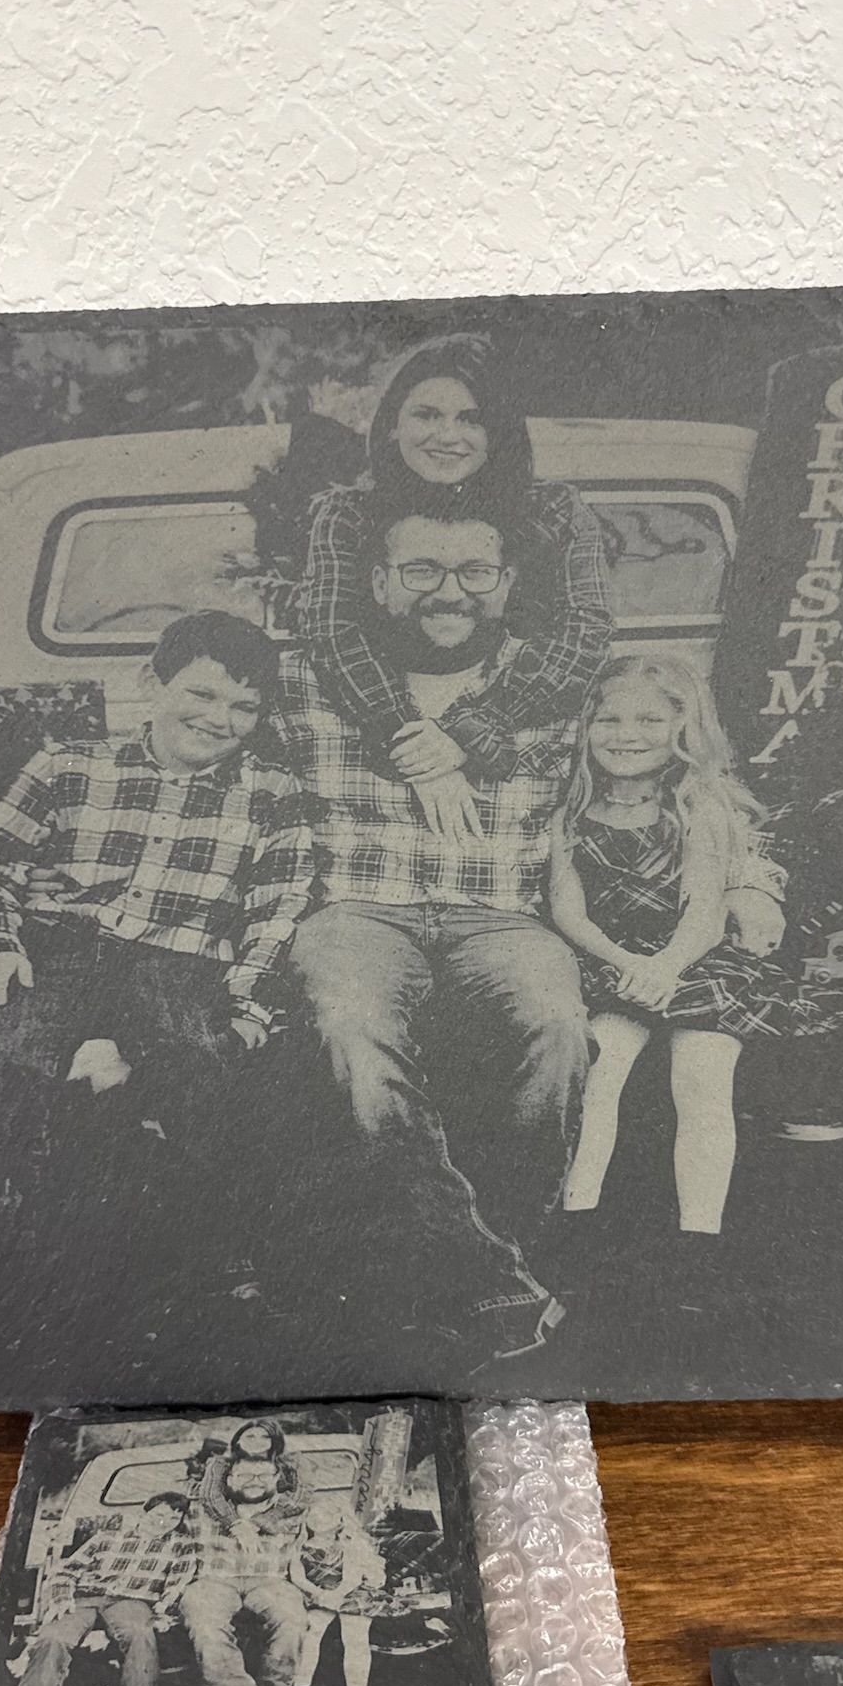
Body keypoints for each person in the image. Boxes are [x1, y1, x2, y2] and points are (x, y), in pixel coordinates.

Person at [273, 498, 590, 1361]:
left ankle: (486, 1249)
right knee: (353, 1025)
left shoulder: (554, 686)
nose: (450, 592)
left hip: (502, 915)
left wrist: (748, 881)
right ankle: (492, 1276)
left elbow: (679, 773)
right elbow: (197, 745)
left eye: (475, 572)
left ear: (508, 583)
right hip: (359, 908)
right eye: (420, 570)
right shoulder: (311, 676)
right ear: (377, 583)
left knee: (557, 1025)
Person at [0, 611, 315, 1315]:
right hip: (59, 951)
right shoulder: (68, 763)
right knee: (0, 1063)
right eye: (201, 694)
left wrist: (249, 1007)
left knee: (200, 1069)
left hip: (182, 963)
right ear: (152, 682)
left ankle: (223, 1274)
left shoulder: (274, 793)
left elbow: (278, 911)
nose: (219, 719)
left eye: (243, 707)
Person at [297, 332, 614, 835]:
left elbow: (583, 631)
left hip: (528, 741)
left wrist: (465, 734)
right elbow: (333, 630)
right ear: (392, 425)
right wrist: (419, 750)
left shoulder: (551, 511)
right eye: (427, 415)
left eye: (471, 419)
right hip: (373, 741)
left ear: (498, 431)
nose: (448, 435)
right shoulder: (350, 513)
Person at [547, 654, 797, 1235]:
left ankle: (699, 1234)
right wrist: (628, 964)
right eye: (609, 720)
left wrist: (665, 967)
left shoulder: (695, 807)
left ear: (683, 727)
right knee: (599, 1070)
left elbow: (705, 913)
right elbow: (568, 911)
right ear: (586, 726)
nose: (626, 735)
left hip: (693, 957)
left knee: (703, 1076)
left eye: (649, 720)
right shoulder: (571, 811)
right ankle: (577, 1221)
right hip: (613, 959)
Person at [0, 1489, 196, 1686]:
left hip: (132, 1601)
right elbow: (66, 1570)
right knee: (52, 1638)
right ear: (143, 1512)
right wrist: (62, 1598)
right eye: (158, 1515)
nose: (163, 1522)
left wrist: (162, 1612)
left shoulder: (181, 1545)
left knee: (139, 1633)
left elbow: (177, 1583)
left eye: (173, 1519)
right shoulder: (107, 1537)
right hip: (85, 1598)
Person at [175, 1436, 311, 1686]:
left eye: (263, 1475)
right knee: (208, 1632)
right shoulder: (203, 1505)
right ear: (229, 1478)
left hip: (271, 1580)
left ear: (277, 1478)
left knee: (293, 1624)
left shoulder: (289, 1510)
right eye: (245, 1475)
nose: (254, 1481)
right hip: (213, 1579)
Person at [289, 1493, 388, 1686]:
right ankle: (301, 1684)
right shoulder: (300, 1546)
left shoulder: (348, 1544)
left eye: (327, 1514)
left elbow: (352, 1578)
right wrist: (319, 1594)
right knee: (310, 1630)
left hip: (349, 1592)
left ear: (341, 1519)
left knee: (355, 1634)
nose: (319, 1518)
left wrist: (335, 1596)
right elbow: (298, 1577)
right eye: (313, 1514)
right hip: (317, 1595)